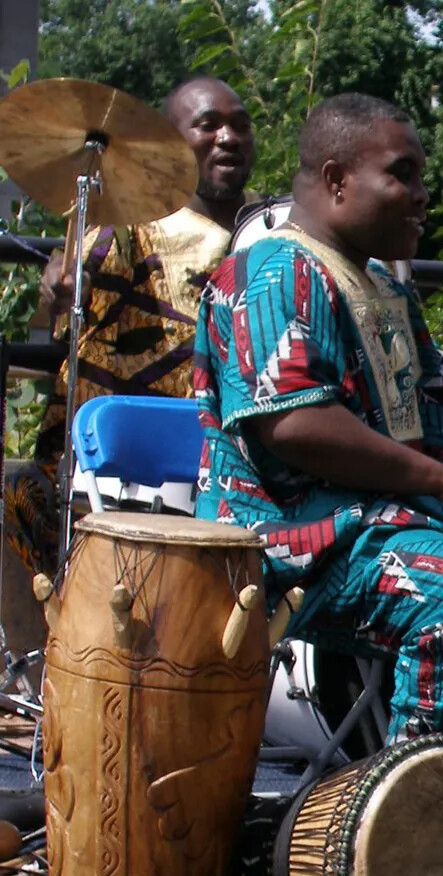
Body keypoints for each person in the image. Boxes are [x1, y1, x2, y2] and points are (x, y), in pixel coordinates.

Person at [195, 93, 443, 751]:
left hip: (378, 528)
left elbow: (426, 433)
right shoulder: (271, 272)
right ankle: (402, 812)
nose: (422, 195)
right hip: (290, 540)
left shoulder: (384, 290)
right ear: (337, 179)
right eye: (403, 174)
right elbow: (295, 426)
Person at [5, 75, 257, 577]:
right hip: (135, 473)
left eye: (239, 126)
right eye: (208, 126)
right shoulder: (130, 226)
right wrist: (63, 280)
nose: (227, 137)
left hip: (251, 463)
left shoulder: (273, 231)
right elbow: (75, 283)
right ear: (168, 140)